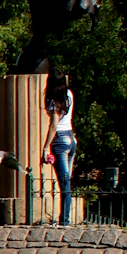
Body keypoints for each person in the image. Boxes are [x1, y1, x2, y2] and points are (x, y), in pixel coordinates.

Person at [46, 72, 79, 223]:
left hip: (59, 140)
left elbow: (54, 125)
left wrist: (46, 147)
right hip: (71, 137)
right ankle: (65, 218)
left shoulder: (54, 100)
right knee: (67, 182)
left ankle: (64, 220)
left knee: (64, 183)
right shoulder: (69, 94)